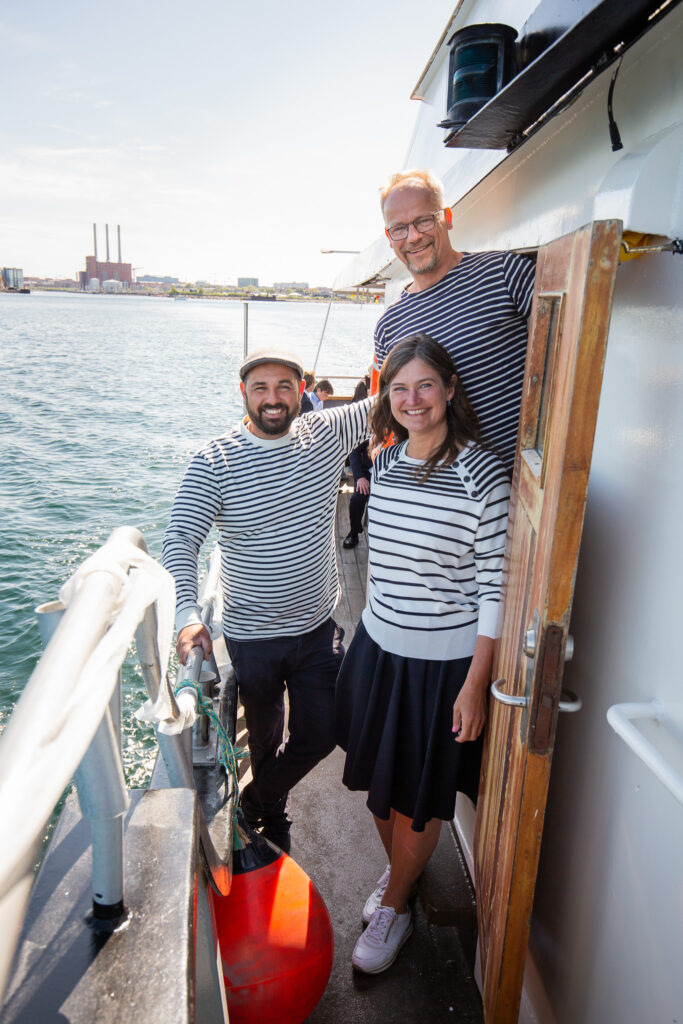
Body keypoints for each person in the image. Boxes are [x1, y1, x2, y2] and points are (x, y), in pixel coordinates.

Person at [336, 334, 510, 973]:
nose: (412, 400)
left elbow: (496, 587)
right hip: (378, 647)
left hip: (439, 668)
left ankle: (398, 904)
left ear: (450, 390)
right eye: (400, 389)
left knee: (412, 795)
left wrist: (475, 683)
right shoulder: (383, 465)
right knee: (378, 785)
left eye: (425, 386)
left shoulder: (482, 474)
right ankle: (398, 882)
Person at [162, 349, 371, 853]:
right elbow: (180, 541)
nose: (273, 399)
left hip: (318, 629)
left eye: (284, 386)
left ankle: (253, 803)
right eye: (261, 387)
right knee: (263, 737)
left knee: (321, 734)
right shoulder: (215, 460)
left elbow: (400, 394)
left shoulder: (329, 432)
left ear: (301, 390)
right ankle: (274, 821)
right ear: (244, 394)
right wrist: (188, 616)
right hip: (252, 637)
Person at [375, 169, 536, 476]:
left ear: (446, 217)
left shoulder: (504, 274)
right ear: (389, 237)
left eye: (424, 220)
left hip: (526, 494)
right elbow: (399, 419)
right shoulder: (388, 325)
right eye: (399, 228)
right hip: (446, 502)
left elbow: (570, 352)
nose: (413, 237)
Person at [343, 377, 372, 549]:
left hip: (390, 473)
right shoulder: (368, 423)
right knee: (357, 499)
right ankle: (354, 532)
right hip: (368, 471)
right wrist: (360, 477)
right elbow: (354, 451)